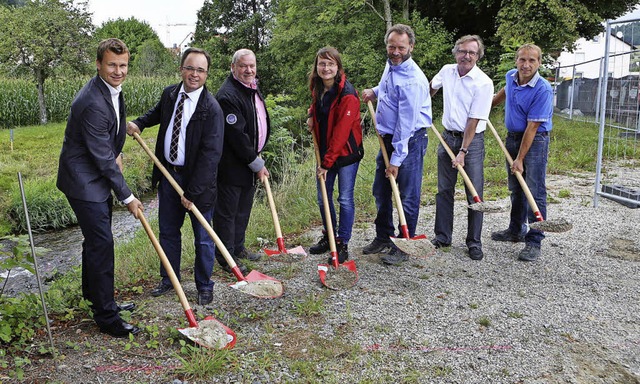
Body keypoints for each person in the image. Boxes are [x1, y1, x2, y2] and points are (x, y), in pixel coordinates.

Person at [57, 38, 143, 338]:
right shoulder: (91, 101)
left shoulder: (111, 90)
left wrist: (124, 128)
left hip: (96, 174)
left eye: (123, 65)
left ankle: (94, 298)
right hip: (83, 180)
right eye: (112, 65)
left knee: (95, 242)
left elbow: (111, 132)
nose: (118, 71)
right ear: (98, 64)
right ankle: (106, 316)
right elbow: (104, 159)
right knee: (102, 243)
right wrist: (128, 196)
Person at [127, 47, 223, 305]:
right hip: (169, 177)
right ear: (181, 68)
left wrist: (192, 192)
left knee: (203, 237)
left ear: (206, 74)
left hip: (198, 184)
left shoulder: (211, 109)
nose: (194, 74)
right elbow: (156, 113)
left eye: (200, 70)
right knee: (169, 232)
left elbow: (210, 156)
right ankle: (169, 279)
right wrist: (139, 123)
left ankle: (204, 285)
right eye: (190, 68)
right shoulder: (170, 94)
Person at [361, 24, 432, 265]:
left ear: (411, 47)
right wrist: (375, 91)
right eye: (392, 46)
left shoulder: (413, 81)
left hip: (408, 141)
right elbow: (389, 90)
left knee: (407, 195)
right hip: (388, 139)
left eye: (401, 47)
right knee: (380, 190)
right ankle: (383, 236)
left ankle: (405, 243)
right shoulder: (392, 65)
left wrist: (396, 161)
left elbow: (405, 124)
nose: (395, 51)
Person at [430, 35, 494, 261]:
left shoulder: (484, 83)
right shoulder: (447, 70)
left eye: (472, 53)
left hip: (472, 142)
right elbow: (432, 86)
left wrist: (463, 152)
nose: (467, 56)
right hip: (447, 136)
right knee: (444, 190)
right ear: (456, 52)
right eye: (463, 51)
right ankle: (442, 237)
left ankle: (474, 242)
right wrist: (424, 104)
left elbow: (474, 121)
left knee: (473, 193)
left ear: (478, 56)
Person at [491, 43, 553, 262]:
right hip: (513, 138)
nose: (526, 65)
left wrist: (520, 159)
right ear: (516, 60)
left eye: (531, 60)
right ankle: (515, 230)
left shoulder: (543, 89)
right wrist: (486, 106)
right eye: (522, 60)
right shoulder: (511, 76)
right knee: (516, 188)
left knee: (534, 189)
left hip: (534, 141)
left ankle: (534, 240)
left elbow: (533, 127)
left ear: (539, 63)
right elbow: (503, 93)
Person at [213, 49, 270, 274]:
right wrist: (256, 162)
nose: (249, 70)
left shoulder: (250, 87)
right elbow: (237, 136)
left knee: (243, 209)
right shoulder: (228, 95)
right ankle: (226, 257)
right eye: (243, 66)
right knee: (227, 212)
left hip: (249, 161)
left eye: (252, 65)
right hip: (232, 164)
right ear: (233, 67)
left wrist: (256, 156)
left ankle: (238, 248)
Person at [306, 47, 364, 264]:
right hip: (326, 153)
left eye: (331, 64)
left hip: (346, 154)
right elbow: (318, 106)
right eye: (322, 64)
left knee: (344, 198)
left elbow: (341, 134)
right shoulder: (318, 87)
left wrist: (327, 164)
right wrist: (312, 114)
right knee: (323, 198)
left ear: (338, 67)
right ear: (317, 67)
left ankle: (342, 242)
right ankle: (329, 234)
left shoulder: (348, 94)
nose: (326, 68)